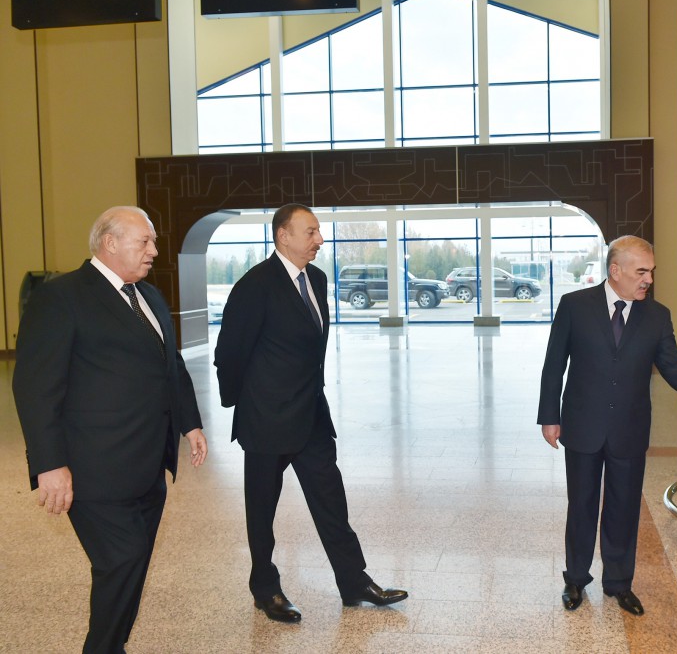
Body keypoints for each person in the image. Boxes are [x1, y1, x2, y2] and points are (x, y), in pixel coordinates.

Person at [12, 206, 208, 653]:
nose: (154, 251)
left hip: (146, 467)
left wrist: (189, 423)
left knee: (131, 564)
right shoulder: (62, 297)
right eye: (146, 242)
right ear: (110, 242)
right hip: (92, 468)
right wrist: (49, 465)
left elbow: (170, 366)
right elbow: (35, 387)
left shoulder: (149, 297)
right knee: (122, 560)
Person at [537, 235, 677, 616]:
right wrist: (549, 416)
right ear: (616, 271)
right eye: (642, 271)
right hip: (582, 425)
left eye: (651, 272)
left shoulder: (656, 315)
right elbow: (554, 363)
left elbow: (674, 370)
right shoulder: (574, 306)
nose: (648, 280)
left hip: (629, 428)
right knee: (582, 506)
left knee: (624, 508)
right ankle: (575, 579)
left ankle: (619, 584)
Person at [214, 203, 407, 623]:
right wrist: (243, 405)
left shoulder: (316, 279)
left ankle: (353, 581)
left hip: (311, 418)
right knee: (262, 512)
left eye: (318, 232)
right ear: (283, 236)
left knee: (331, 502)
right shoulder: (255, 286)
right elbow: (228, 354)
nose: (320, 240)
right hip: (266, 421)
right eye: (311, 232)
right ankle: (265, 588)